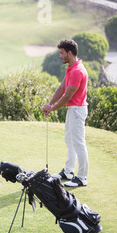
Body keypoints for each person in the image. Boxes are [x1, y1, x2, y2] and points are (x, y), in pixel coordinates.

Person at [42, 39, 89, 187]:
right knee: (70, 141)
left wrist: (52, 108)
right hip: (72, 110)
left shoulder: (77, 71)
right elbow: (62, 88)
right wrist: (50, 104)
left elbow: (67, 96)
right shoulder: (71, 67)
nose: (60, 56)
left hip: (77, 110)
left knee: (79, 144)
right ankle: (69, 172)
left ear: (69, 53)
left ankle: (82, 177)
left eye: (62, 53)